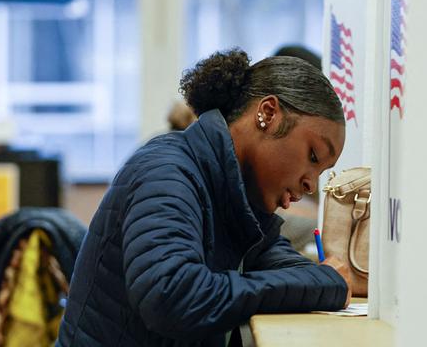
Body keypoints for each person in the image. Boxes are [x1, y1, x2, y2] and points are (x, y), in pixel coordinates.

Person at [55, 48, 353, 347]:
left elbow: (283, 265)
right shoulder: (167, 172)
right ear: (268, 114)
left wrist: (325, 281)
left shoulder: (234, 195)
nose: (311, 184)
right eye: (313, 156)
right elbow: (172, 298)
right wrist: (324, 282)